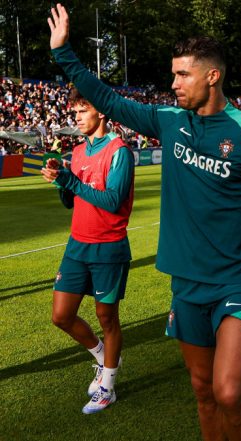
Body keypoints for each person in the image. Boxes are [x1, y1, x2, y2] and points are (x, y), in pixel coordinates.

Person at [48, 5, 241, 440]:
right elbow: (107, 98)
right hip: (186, 283)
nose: (173, 84)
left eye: (182, 75)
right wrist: (63, 52)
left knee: (227, 391)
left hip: (238, 282)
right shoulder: (169, 121)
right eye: (174, 74)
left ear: (212, 77)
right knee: (203, 391)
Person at [41, 88, 134, 414]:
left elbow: (112, 201)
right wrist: (59, 179)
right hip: (77, 246)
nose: (77, 118)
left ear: (101, 113)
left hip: (109, 247)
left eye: (83, 111)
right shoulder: (77, 152)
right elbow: (71, 200)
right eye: (75, 112)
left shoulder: (120, 150)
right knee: (61, 315)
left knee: (107, 318)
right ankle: (102, 356)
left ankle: (108, 386)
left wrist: (72, 181)